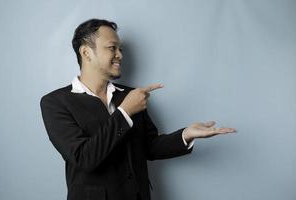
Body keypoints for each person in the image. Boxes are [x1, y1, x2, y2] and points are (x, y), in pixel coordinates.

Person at [40, 18, 236, 200]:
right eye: (112, 48)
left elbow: (148, 147)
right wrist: (125, 112)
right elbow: (84, 158)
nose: (120, 55)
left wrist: (185, 135)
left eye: (120, 49)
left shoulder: (130, 95)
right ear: (86, 53)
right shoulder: (55, 102)